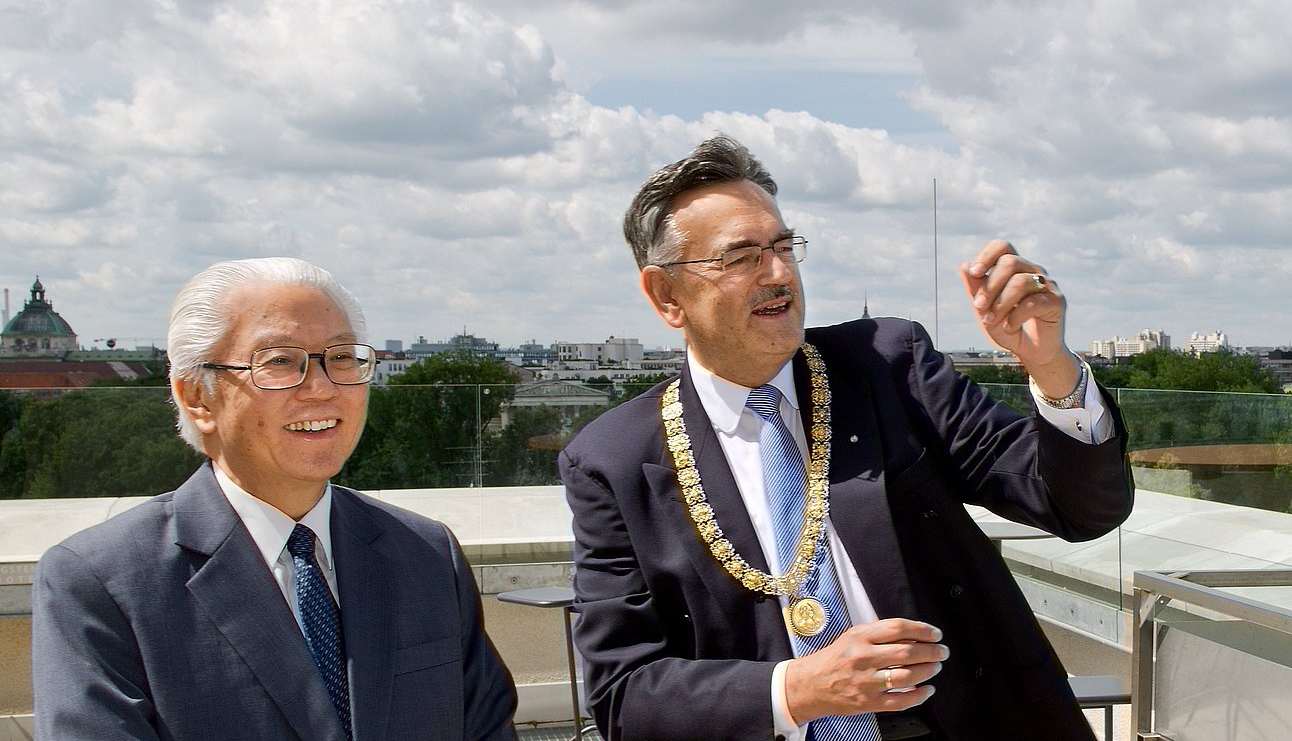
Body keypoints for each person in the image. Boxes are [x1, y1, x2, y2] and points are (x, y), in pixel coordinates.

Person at [561, 134, 1132, 740]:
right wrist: (797, 691)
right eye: (741, 257)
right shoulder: (614, 463)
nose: (778, 274)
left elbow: (1081, 508)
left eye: (783, 246)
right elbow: (623, 697)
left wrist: (1052, 370)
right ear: (665, 295)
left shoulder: (887, 366)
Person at [31, 257, 518, 741]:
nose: (323, 389)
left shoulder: (426, 553)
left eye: (343, 358)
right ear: (197, 398)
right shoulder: (101, 584)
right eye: (281, 362)